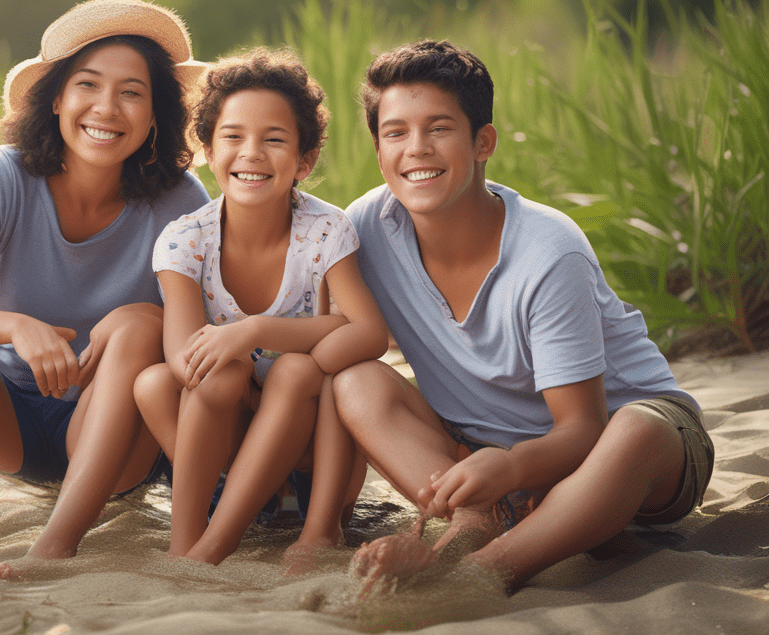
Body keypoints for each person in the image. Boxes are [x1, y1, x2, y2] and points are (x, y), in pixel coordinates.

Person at [335, 39, 714, 592]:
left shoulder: (547, 250)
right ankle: (474, 520)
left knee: (636, 428)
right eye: (396, 132)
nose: (416, 148)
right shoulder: (367, 226)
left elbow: (583, 428)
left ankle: (482, 572)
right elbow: (321, 335)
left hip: (618, 452)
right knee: (356, 381)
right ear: (378, 150)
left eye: (439, 128)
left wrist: (511, 468)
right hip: (483, 455)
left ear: (482, 141)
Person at [0, 0, 211, 578]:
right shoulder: (3, 177)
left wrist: (143, 326)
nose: (107, 107)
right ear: (56, 98)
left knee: (137, 325)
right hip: (14, 427)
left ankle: (55, 547)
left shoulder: (180, 201)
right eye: (87, 85)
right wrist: (12, 325)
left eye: (132, 92)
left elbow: (202, 334)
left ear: (156, 113)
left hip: (121, 444)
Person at [133, 48, 388, 566]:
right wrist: (247, 383)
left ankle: (219, 544)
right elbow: (184, 360)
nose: (251, 153)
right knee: (159, 382)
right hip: (225, 451)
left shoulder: (325, 230)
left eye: (274, 139)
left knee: (295, 373)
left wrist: (253, 333)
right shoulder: (185, 241)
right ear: (205, 148)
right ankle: (188, 539)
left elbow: (369, 335)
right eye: (232, 137)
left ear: (305, 159)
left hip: (309, 459)